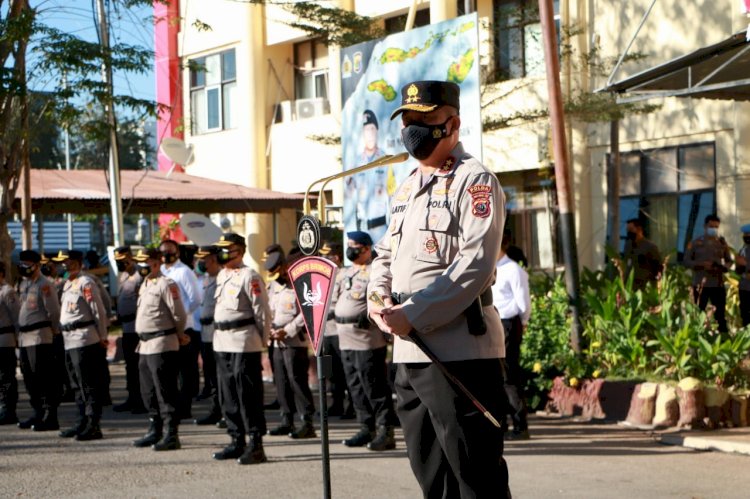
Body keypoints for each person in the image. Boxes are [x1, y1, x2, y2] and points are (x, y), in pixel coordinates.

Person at [367, 80, 510, 498]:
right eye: (408, 120)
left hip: (459, 350)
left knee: (475, 475)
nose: (413, 128)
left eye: (425, 120)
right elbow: (384, 255)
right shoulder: (406, 188)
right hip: (409, 350)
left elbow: (476, 265)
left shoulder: (475, 181)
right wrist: (379, 300)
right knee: (431, 473)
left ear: (452, 125)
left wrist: (413, 313)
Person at [210, 233, 271, 465]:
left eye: (229, 249)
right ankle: (236, 440)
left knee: (248, 395)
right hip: (222, 341)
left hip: (244, 342)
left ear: (241, 251)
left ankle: (256, 444)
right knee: (228, 395)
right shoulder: (222, 275)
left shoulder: (250, 276)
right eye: (221, 249)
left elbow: (262, 311)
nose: (224, 253)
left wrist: (262, 340)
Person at [336, 231, 398, 451]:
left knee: (373, 386)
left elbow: (378, 298)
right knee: (355, 387)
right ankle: (366, 427)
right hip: (345, 338)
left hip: (367, 339)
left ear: (366, 248)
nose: (350, 249)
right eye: (349, 245)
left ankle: (385, 430)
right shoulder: (344, 273)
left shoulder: (374, 272)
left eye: (355, 246)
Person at [132, 248, 189, 451]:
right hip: (145, 345)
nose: (141, 266)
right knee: (148, 391)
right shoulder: (145, 284)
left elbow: (179, 314)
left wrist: (179, 334)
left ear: (156, 263)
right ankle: (154, 429)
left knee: (165, 391)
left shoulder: (167, 283)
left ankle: (171, 433)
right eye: (139, 263)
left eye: (145, 262)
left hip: (162, 343)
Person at [52, 250, 110, 441]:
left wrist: (102, 336)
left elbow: (98, 311)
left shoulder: (86, 282)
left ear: (77, 262)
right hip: (70, 339)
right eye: (63, 263)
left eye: (67, 262)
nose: (64, 266)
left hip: (85, 339)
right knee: (76, 385)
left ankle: (94, 424)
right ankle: (82, 420)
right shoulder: (69, 283)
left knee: (88, 384)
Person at [265, 251, 317, 440]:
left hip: (294, 341)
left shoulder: (301, 286)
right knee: (281, 381)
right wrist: (269, 329)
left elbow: (306, 313)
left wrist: (286, 330)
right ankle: (286, 419)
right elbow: (268, 310)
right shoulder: (274, 287)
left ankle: (307, 422)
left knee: (297, 381)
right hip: (276, 341)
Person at [16, 250, 61, 431]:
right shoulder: (24, 284)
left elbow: (54, 312)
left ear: (36, 265)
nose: (24, 268)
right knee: (30, 379)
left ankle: (50, 416)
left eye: (27, 264)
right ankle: (37, 413)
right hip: (25, 338)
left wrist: (54, 332)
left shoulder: (45, 285)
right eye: (22, 264)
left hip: (40, 337)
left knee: (44, 379)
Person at [493, 233, 532, 440]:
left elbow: (523, 302)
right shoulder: (492, 269)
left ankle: (520, 424)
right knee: (497, 376)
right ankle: (501, 424)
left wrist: (523, 322)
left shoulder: (513, 270)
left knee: (509, 374)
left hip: (509, 322)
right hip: (495, 324)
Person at [159, 239, 202, 420]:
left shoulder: (184, 272)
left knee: (186, 372)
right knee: (170, 371)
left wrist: (180, 317)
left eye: (170, 251)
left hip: (185, 329)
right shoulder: (161, 272)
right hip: (167, 330)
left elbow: (195, 299)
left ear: (177, 252)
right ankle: (173, 406)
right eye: (164, 251)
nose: (167, 254)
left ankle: (185, 408)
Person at [319, 240, 354, 419]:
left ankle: (352, 405)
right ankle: (337, 403)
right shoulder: (324, 276)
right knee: (331, 371)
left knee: (345, 370)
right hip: (326, 330)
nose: (323, 259)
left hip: (339, 329)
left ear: (336, 257)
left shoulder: (344, 275)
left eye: (327, 256)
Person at [113, 245, 147, 414]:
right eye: (117, 261)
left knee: (138, 365)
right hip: (126, 327)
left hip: (136, 327)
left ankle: (141, 400)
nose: (120, 264)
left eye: (122, 260)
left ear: (130, 258)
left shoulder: (140, 275)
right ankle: (132, 397)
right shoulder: (124, 275)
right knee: (130, 366)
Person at [684, 214, 732, 333]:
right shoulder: (695, 243)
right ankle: (698, 339)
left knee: (720, 315)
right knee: (698, 314)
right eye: (711, 226)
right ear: (705, 226)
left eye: (716, 227)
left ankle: (723, 340)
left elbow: (729, 261)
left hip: (717, 284)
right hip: (700, 284)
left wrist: (722, 268)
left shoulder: (721, 243)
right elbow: (686, 261)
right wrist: (700, 264)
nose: (714, 229)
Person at [193, 245, 222, 425]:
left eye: (204, 259)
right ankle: (215, 410)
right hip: (205, 333)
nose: (201, 263)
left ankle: (223, 410)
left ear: (213, 260)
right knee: (210, 375)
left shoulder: (220, 279)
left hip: (217, 333)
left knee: (220, 376)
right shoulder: (205, 279)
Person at [0, 262, 20, 425]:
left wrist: (19, 338)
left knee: (6, 376)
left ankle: (9, 410)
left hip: (5, 340)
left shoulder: (8, 291)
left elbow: (17, 317)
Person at [623, 218, 662, 288]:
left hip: (643, 287)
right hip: (629, 286)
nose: (629, 232)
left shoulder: (650, 247)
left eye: (631, 230)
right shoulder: (628, 245)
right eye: (627, 230)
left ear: (639, 229)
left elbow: (658, 269)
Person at [735, 223, 750, 327]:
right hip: (744, 287)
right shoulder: (743, 249)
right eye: (745, 234)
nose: (746, 237)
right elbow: (739, 270)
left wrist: (745, 263)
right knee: (745, 315)